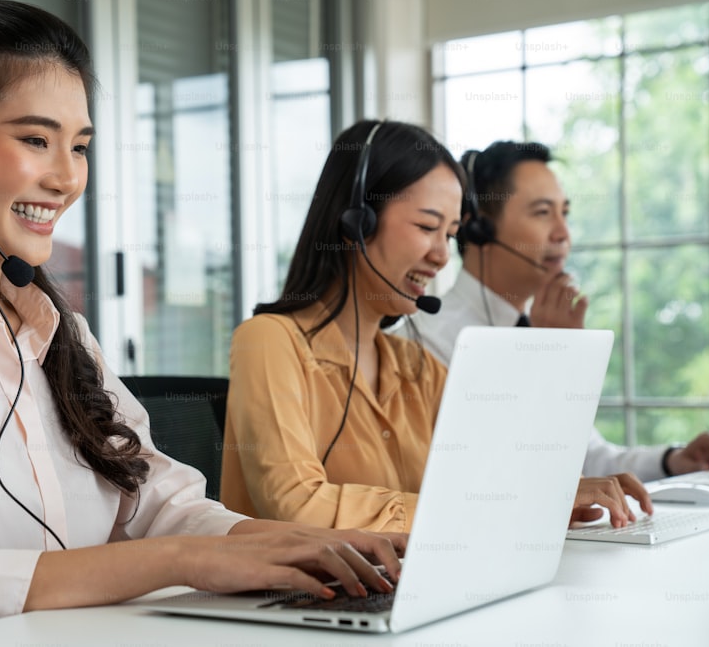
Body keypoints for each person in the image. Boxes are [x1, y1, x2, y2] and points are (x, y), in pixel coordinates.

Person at [0, 0, 404, 646]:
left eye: (80, 146)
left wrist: (293, 542)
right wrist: (181, 560)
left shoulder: (59, 330)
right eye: (36, 139)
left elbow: (155, 503)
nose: (67, 177)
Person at [219, 120, 653, 535]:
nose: (443, 256)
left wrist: (550, 495)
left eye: (448, 235)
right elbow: (296, 505)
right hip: (293, 604)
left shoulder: (418, 368)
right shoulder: (269, 342)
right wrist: (505, 503)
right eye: (427, 227)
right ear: (356, 221)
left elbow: (500, 475)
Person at [399, 140, 709, 481]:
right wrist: (547, 363)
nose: (563, 233)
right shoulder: (424, 343)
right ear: (478, 228)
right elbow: (500, 478)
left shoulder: (541, 324)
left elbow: (587, 457)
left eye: (564, 213)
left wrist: (674, 460)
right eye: (542, 212)